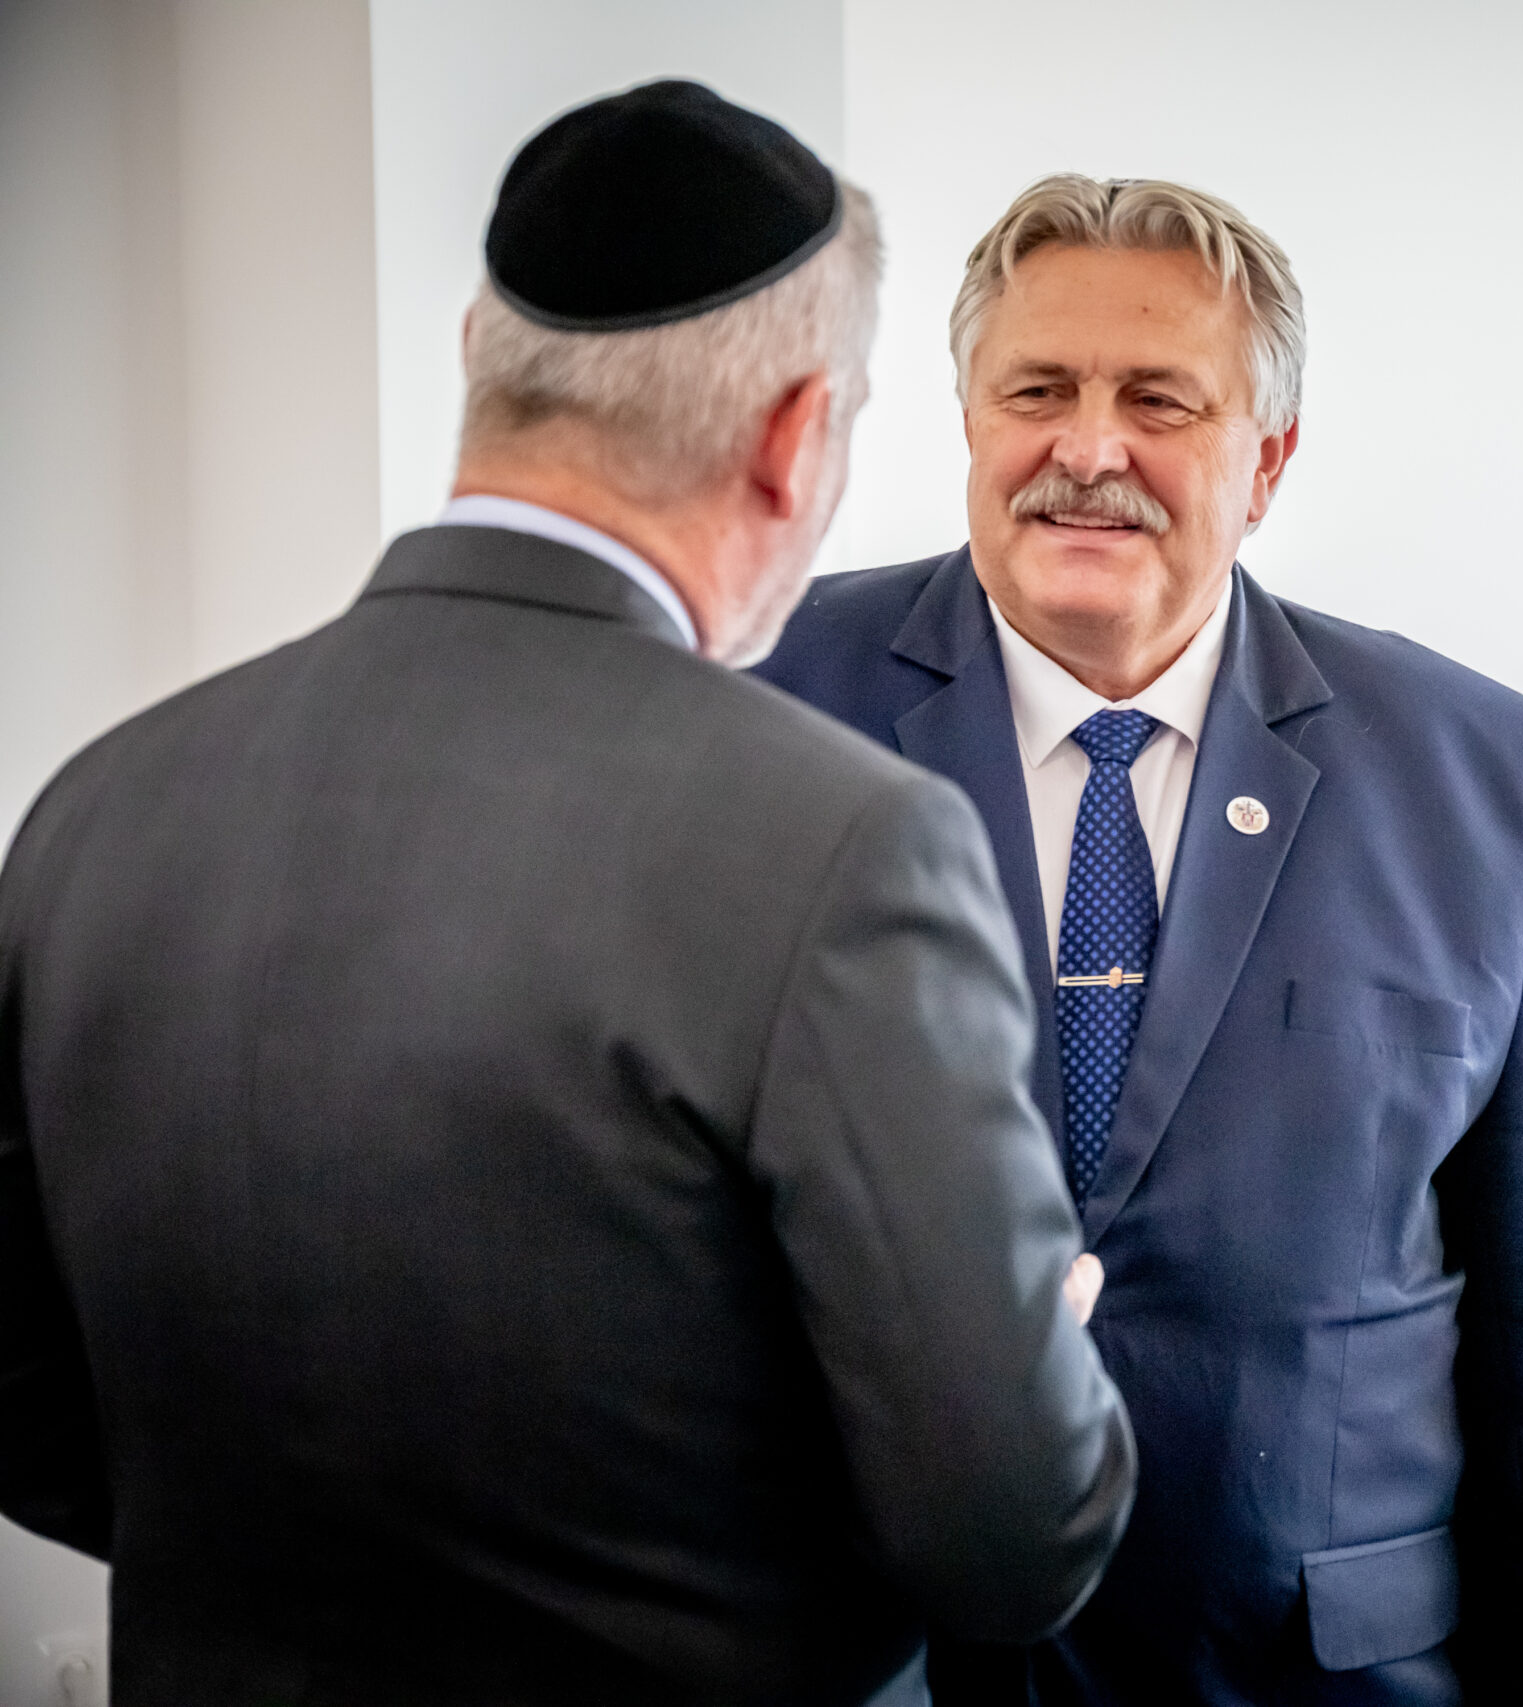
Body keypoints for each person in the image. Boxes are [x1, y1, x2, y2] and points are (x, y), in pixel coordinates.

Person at [0, 81, 1133, 1704]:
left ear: (481, 353)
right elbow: (1012, 1537)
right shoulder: (841, 845)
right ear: (796, 434)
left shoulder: (102, 806)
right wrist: (1039, 1342)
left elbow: (28, 1407)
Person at [756, 174, 1523, 1705]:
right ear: (969, 420)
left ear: (1269, 462)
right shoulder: (769, 706)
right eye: (1038, 391)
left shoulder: (1488, 781)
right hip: (877, 1657)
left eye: (1159, 401)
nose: (1087, 449)